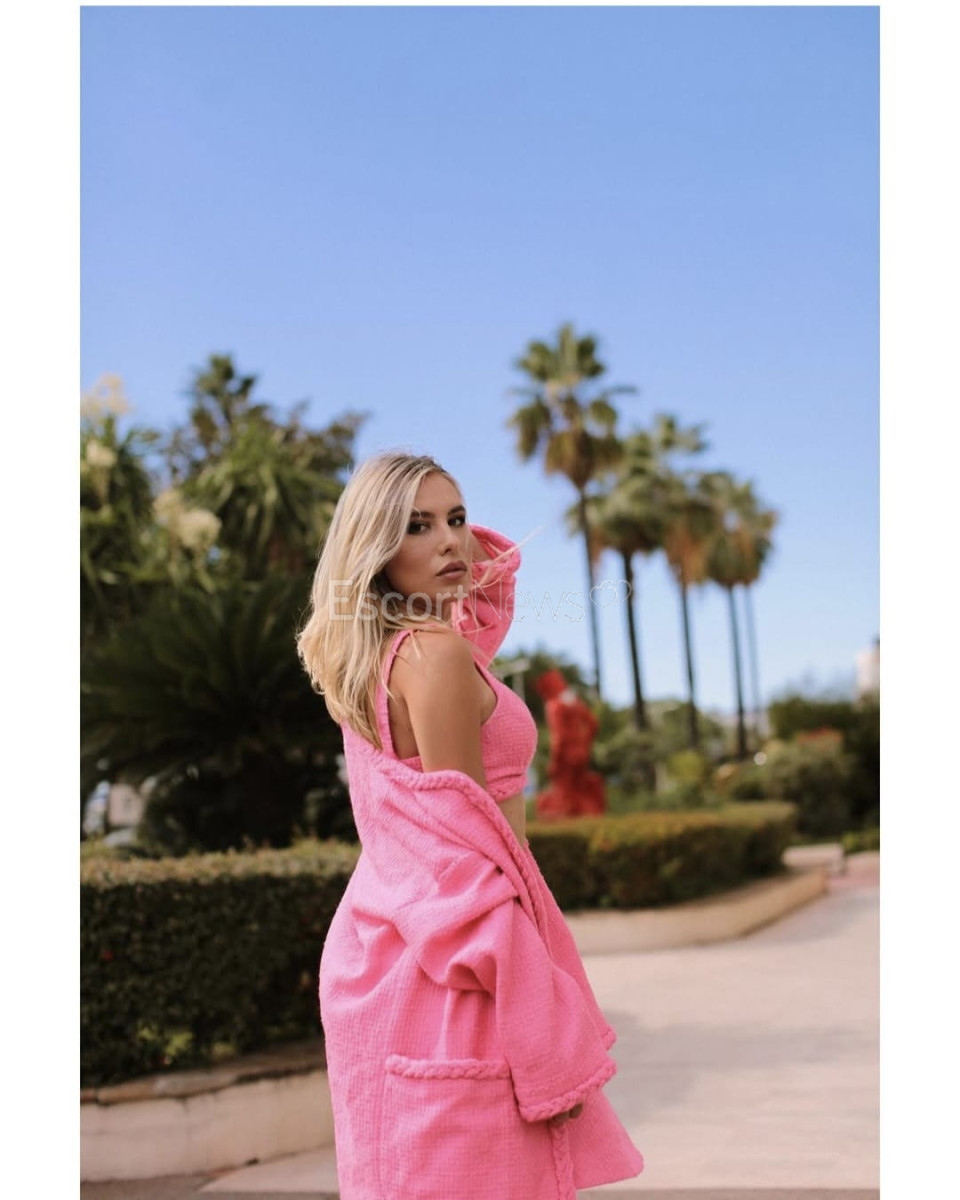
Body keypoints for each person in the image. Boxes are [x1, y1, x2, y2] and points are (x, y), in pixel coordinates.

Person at [297, 450, 644, 1200]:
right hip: (453, 968)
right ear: (376, 547)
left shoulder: (392, 654)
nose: (452, 540)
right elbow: (464, 850)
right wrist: (545, 1031)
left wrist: (464, 586)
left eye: (456, 518)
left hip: (392, 951)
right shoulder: (435, 657)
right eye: (417, 526)